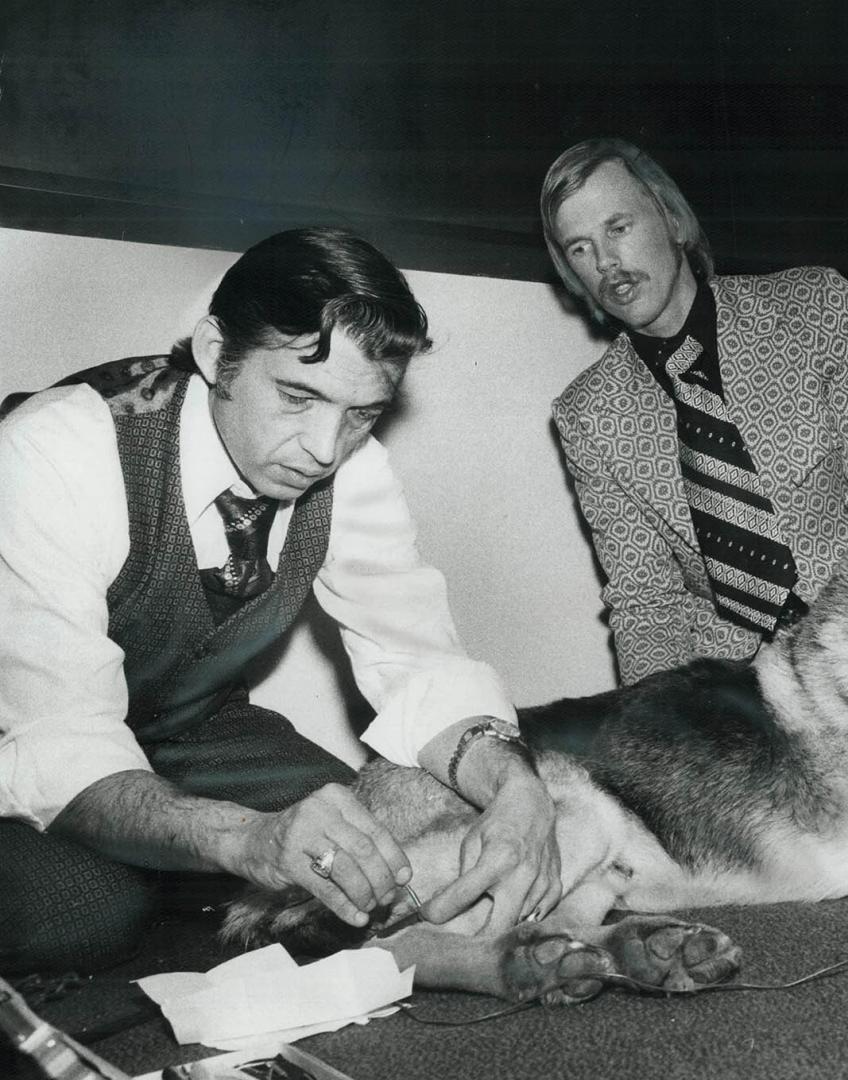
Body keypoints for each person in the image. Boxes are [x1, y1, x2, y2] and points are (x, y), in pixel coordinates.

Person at [0, 228, 559, 974]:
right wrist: (243, 839)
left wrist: (520, 788)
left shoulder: (348, 466)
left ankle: (190, 889)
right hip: (23, 733)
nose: (325, 448)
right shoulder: (55, 449)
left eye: (362, 413)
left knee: (375, 849)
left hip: (185, 728)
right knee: (86, 909)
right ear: (212, 351)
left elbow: (416, 659)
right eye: (298, 395)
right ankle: (178, 893)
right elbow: (58, 736)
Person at [543, 138, 848, 684]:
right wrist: (663, 729)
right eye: (580, 248)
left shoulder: (814, 307)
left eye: (618, 228)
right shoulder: (588, 415)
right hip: (732, 682)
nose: (607, 262)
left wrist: (825, 650)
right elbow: (646, 601)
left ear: (673, 222)